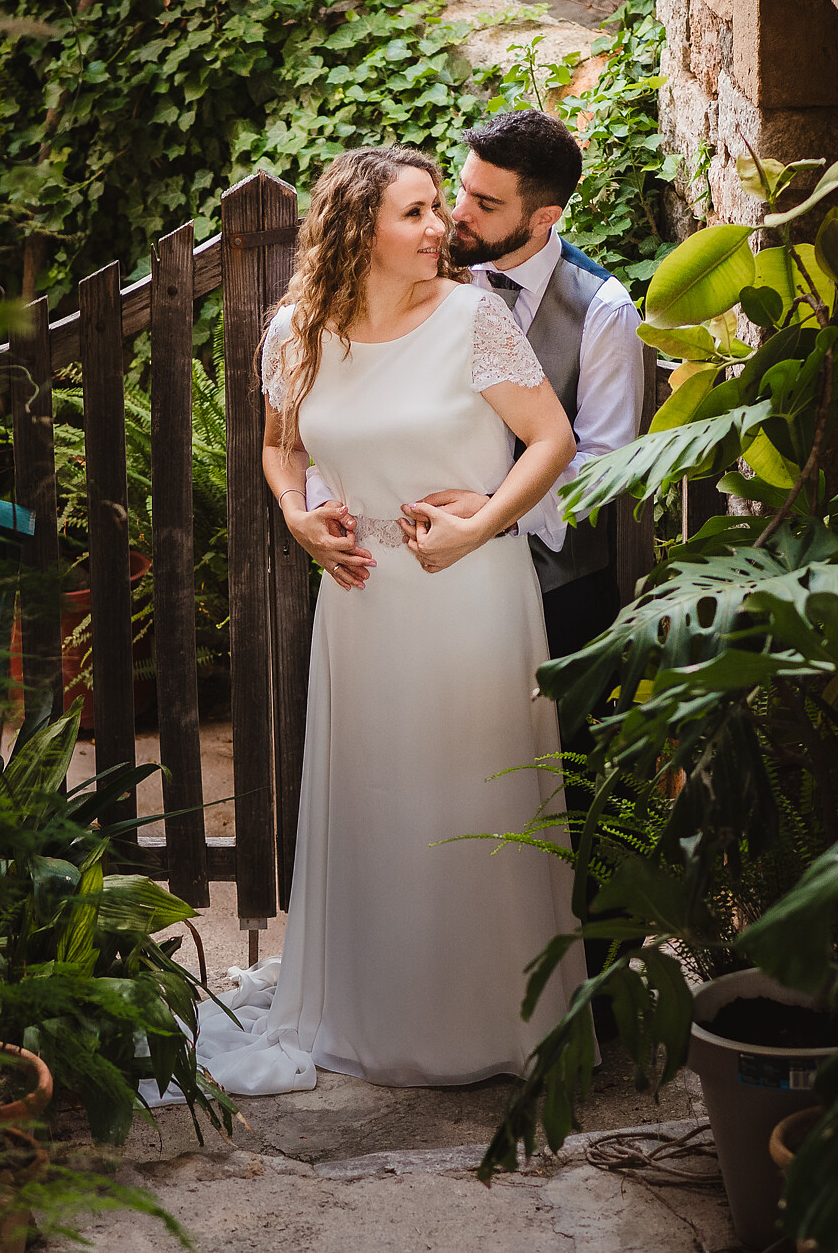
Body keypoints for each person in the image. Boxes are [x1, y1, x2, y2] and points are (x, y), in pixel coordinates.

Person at [183, 145, 587, 1096]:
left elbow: (553, 439)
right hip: (361, 603)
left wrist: (482, 522)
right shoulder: (298, 332)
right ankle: (375, 1012)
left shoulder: (475, 318)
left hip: (472, 594)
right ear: (360, 228)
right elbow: (282, 447)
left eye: (440, 207)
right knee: (378, 801)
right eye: (416, 211)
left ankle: (488, 1021)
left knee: (472, 797)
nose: (441, 225)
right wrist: (297, 515)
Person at [300, 109, 647, 1010]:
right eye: (456, 190)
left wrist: (491, 517)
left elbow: (601, 466)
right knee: (406, 787)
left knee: (535, 796)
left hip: (556, 585)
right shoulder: (431, 272)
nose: (456, 215)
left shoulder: (601, 310)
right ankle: (406, 982)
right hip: (406, 584)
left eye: (481, 203)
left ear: (543, 217)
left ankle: (571, 1002)